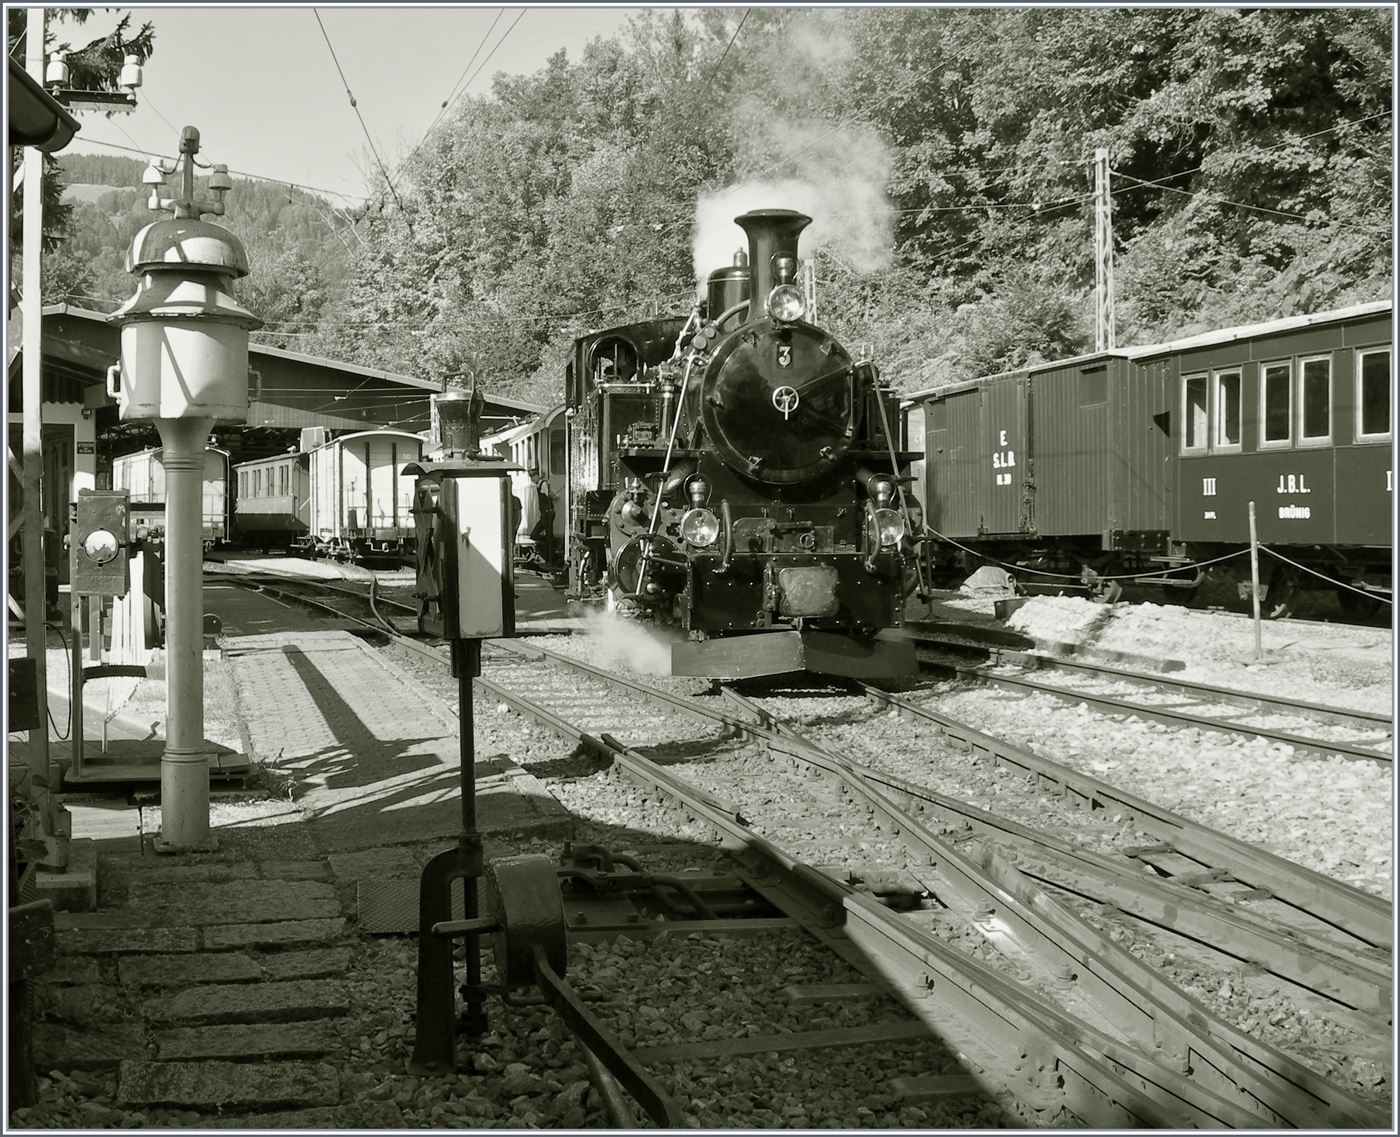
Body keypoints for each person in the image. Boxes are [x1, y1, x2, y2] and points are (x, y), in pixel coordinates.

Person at [530, 474, 556, 568]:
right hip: (544, 515)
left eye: (533, 476)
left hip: (547, 514)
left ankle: (550, 559)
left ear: (537, 476)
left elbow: (552, 495)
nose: (532, 479)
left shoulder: (543, 484)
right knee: (536, 535)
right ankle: (546, 555)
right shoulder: (540, 485)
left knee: (548, 537)